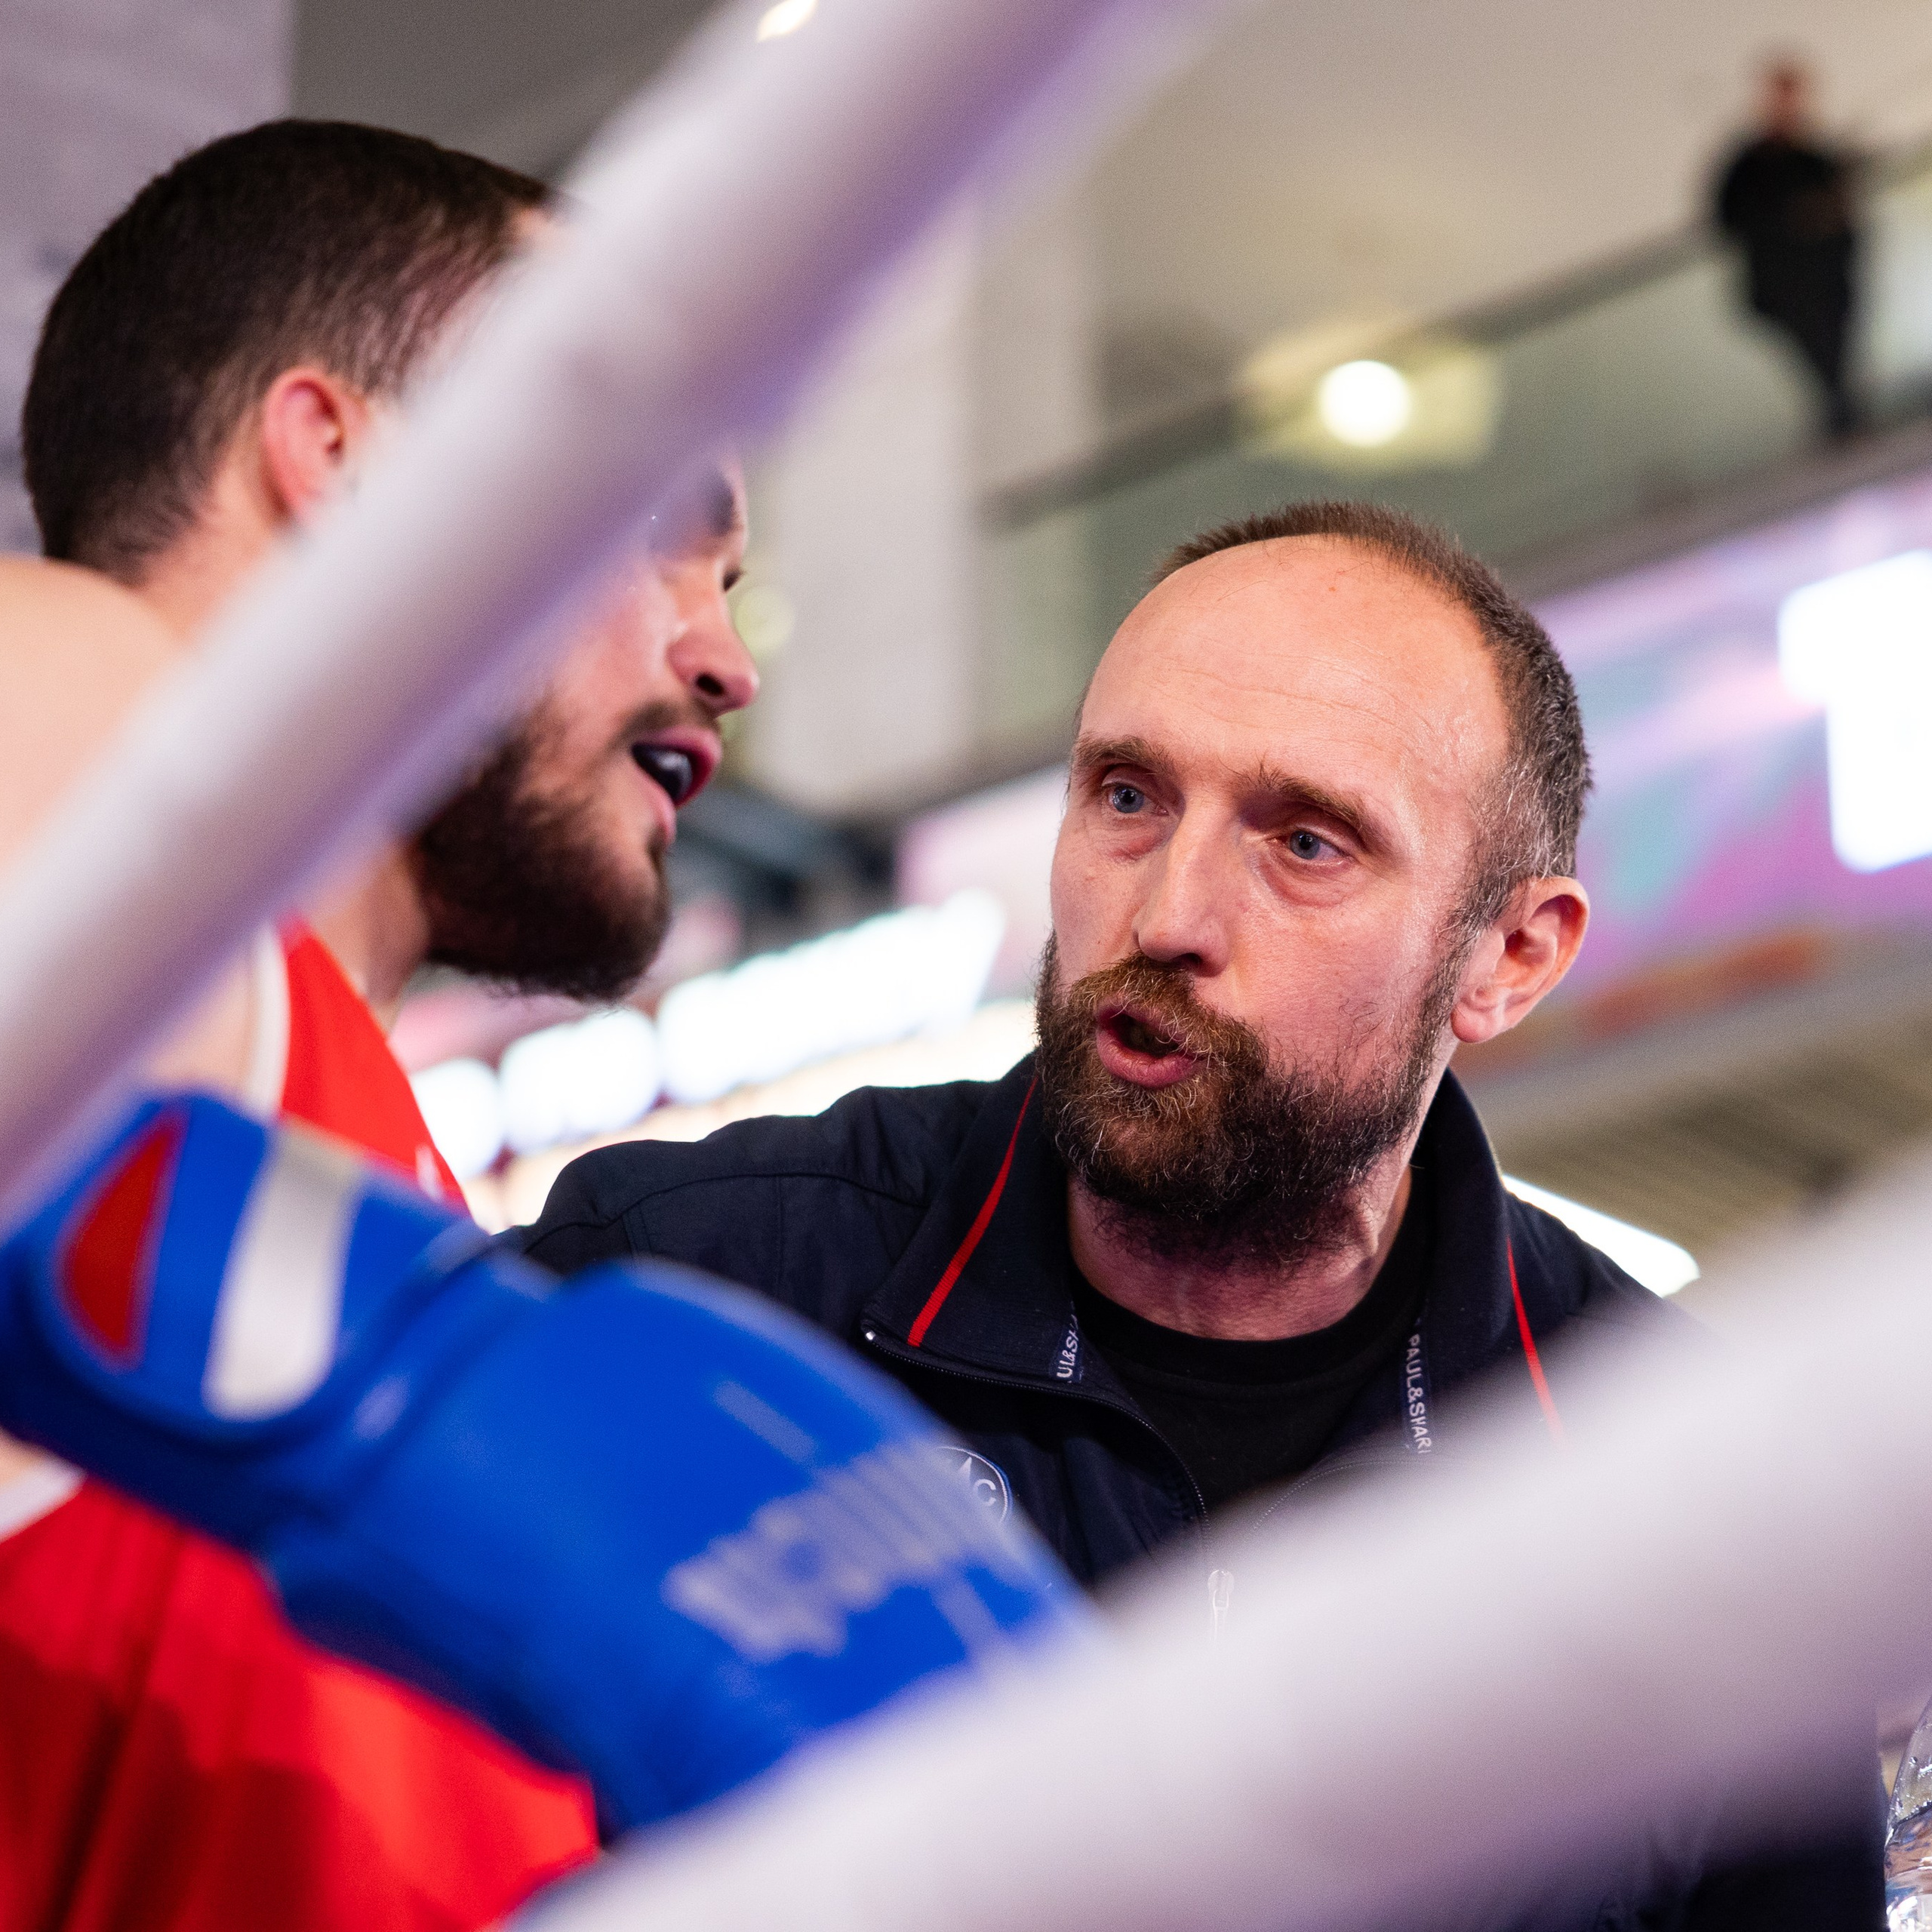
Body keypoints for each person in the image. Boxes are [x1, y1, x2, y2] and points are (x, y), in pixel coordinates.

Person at [516, 500, 1881, 1926]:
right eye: (1127, 796)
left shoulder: (1680, 1489)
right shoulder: (679, 1293)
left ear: (1511, 957)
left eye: (1306, 843)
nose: (1168, 912)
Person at [0, 120, 757, 1932]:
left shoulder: (369, 1188)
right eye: (661, 525)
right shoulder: (69, 705)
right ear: (343, 460)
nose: (725, 654)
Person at [1714, 59, 1863, 438]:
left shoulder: (1814, 161)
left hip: (1827, 289)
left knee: (1835, 366)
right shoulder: (1747, 166)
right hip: (1784, 294)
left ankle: (1842, 420)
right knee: (1822, 368)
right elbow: (1728, 222)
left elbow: (1845, 224)